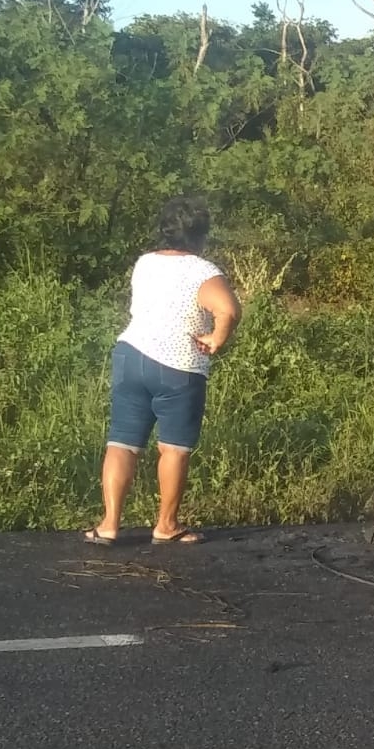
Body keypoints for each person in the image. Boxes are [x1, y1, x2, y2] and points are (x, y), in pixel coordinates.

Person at [83, 196, 242, 546]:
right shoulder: (204, 271)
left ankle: (108, 525)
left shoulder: (144, 263)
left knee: (122, 443)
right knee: (173, 449)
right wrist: (216, 339)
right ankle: (166, 525)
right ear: (201, 235)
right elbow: (228, 309)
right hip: (178, 366)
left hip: (130, 356)